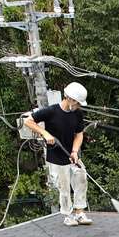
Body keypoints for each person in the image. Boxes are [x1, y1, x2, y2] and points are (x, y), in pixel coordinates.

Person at [24, 82, 92, 227]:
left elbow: (79, 134)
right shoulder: (51, 111)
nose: (79, 106)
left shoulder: (78, 114)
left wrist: (74, 151)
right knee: (64, 187)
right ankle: (68, 215)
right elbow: (28, 122)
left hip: (71, 154)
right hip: (56, 156)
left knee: (81, 178)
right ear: (71, 99)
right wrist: (45, 133)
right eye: (78, 103)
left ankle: (79, 212)